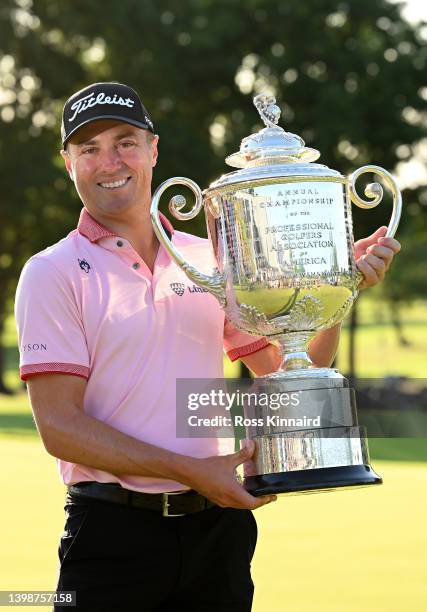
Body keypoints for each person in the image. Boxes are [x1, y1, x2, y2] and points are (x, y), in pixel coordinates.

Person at [14, 82, 401, 611]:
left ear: (153, 149)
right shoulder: (51, 271)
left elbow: (289, 373)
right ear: (69, 163)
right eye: (89, 148)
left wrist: (339, 291)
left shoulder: (211, 258)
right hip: (112, 534)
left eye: (125, 141)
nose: (109, 161)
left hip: (218, 533)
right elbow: (60, 428)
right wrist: (194, 471)